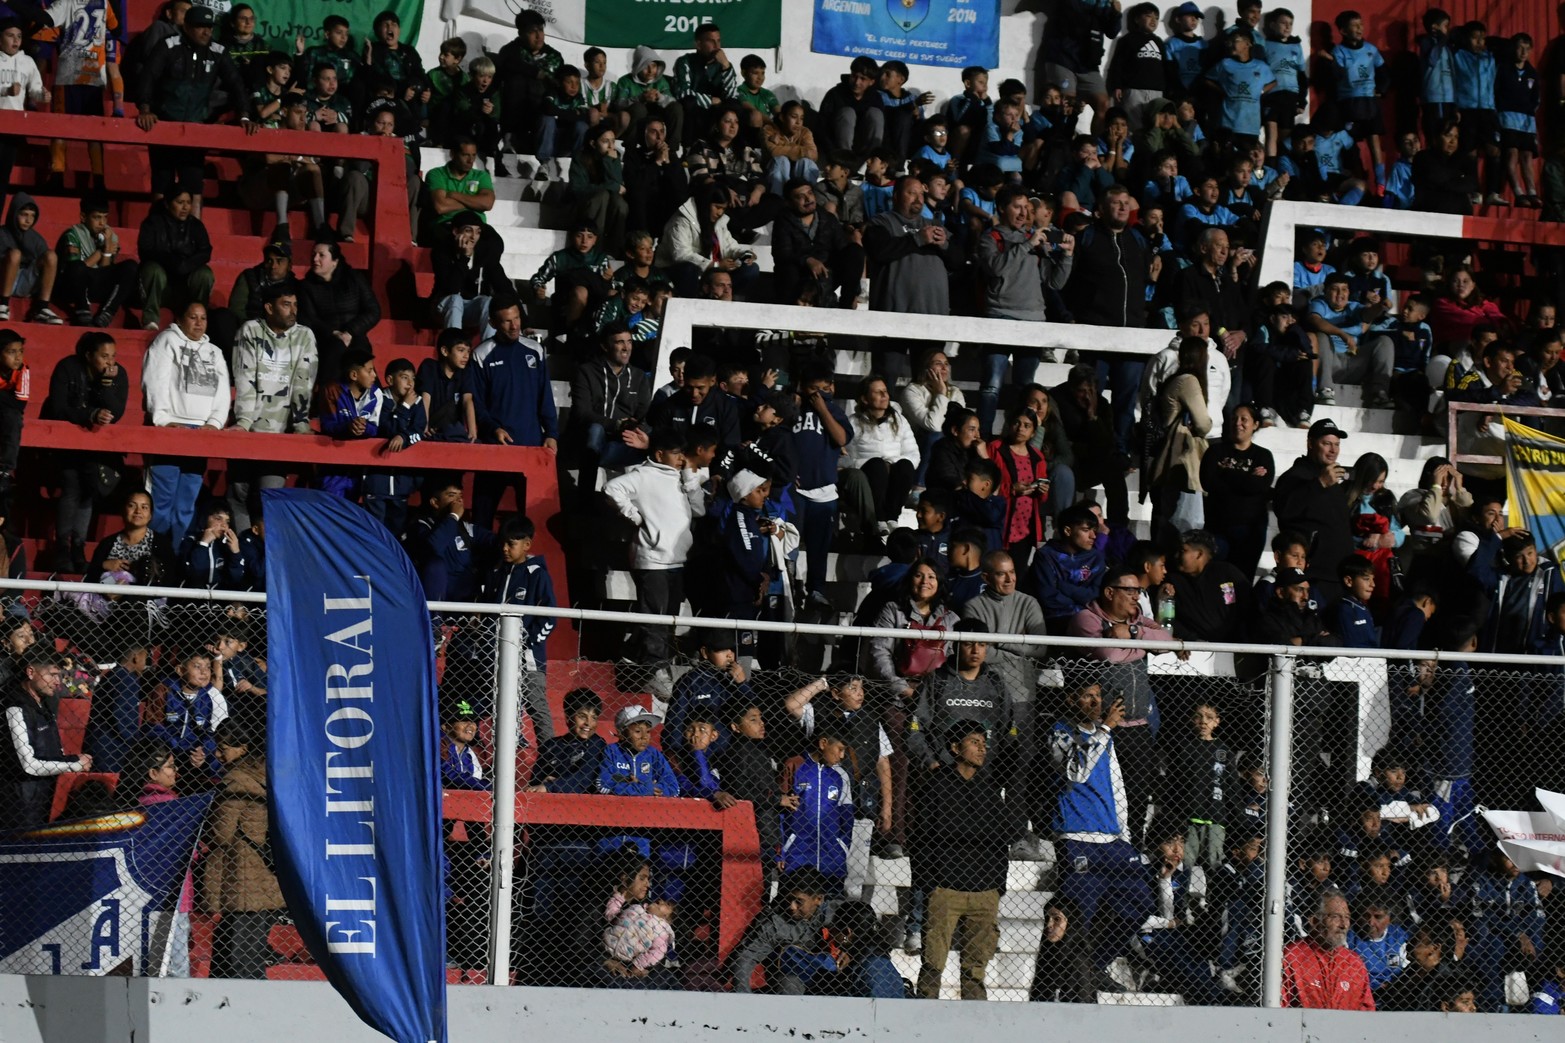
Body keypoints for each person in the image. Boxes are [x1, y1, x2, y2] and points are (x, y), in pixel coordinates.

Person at [1048, 667, 1154, 955]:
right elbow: (1077, 772)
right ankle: (1063, 979)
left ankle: (1095, 966)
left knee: (1141, 902)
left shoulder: (1105, 738)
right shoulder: (1061, 732)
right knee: (1078, 914)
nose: (1096, 703)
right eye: (1087, 696)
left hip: (1112, 839)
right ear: (1071, 701)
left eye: (1098, 696)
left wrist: (1125, 833)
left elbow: (1116, 786)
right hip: (1077, 836)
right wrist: (1105, 729)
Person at [910, 720, 1013, 1000]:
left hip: (984, 891)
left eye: (983, 742)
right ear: (955, 748)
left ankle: (975, 1022)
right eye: (974, 742)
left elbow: (1001, 841)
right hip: (945, 888)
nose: (982, 748)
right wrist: (928, 883)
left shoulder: (990, 791)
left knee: (976, 967)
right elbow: (920, 837)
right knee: (933, 962)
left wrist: (997, 887)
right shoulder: (935, 787)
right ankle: (923, 1016)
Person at [1066, 566, 1172, 833]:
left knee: (1137, 799)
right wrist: (1142, 645)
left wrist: (1132, 635)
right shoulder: (1086, 619)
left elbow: (1167, 640)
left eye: (1139, 591)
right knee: (1106, 794)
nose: (1137, 597)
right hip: (1103, 727)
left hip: (1138, 727)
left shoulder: (1137, 620)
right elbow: (1109, 653)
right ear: (1110, 592)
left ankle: (1134, 851)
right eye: (1130, 590)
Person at [135, 3, 255, 212]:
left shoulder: (217, 51)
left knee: (194, 188)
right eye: (200, 26)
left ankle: (194, 238)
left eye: (209, 26)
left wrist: (244, 115)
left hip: (196, 130)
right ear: (187, 26)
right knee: (162, 186)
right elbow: (148, 77)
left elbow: (236, 84)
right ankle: (157, 235)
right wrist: (145, 109)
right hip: (163, 127)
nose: (206, 31)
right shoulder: (168, 45)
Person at [1063, 186, 1148, 458]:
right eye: (1116, 203)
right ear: (1102, 208)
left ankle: (1120, 449)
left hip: (1131, 335)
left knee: (1125, 399)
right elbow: (1068, 281)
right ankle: (1090, 446)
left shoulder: (1137, 239)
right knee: (1090, 396)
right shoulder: (1087, 237)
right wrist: (1073, 315)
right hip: (1096, 332)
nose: (1123, 207)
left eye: (1126, 203)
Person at [603, 430, 702, 664]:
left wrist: (689, 477)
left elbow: (700, 509)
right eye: (676, 454)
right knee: (655, 618)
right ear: (659, 454)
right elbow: (611, 488)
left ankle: (637, 657)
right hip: (652, 559)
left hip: (677, 560)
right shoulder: (643, 475)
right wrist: (635, 516)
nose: (681, 459)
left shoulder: (681, 478)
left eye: (682, 454)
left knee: (669, 619)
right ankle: (653, 668)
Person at [226, 284, 317, 529]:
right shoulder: (250, 330)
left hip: (279, 435)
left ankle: (266, 559)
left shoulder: (304, 336)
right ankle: (241, 550)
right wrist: (244, 422)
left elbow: (303, 382)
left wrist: (300, 424)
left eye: (295, 305)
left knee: (271, 500)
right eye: (286, 305)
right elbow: (244, 378)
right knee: (238, 495)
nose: (293, 310)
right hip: (248, 431)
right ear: (269, 307)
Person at [141, 301, 229, 541]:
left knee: (186, 504)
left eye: (203, 318)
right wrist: (162, 419)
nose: (199, 323)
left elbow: (222, 392)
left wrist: (215, 422)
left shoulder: (215, 352)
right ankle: (155, 559)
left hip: (200, 432)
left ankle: (178, 559)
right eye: (193, 317)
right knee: (161, 501)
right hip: (170, 429)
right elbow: (154, 381)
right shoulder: (166, 341)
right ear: (180, 319)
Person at [204, 719, 283, 979]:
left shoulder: (235, 780)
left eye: (223, 748)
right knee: (245, 945)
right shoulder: (263, 777)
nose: (218, 754)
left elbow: (221, 833)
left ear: (242, 748)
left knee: (239, 955)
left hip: (241, 879)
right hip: (263, 876)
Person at [472, 298, 558, 528]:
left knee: (531, 517)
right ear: (492, 322)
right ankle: (481, 562)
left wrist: (551, 433)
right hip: (494, 448)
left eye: (517, 318)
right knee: (482, 516)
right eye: (507, 321)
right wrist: (493, 429)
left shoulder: (535, 350)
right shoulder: (481, 354)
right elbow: (477, 404)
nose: (514, 326)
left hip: (530, 445)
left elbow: (545, 397)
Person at [864, 177, 950, 381]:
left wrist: (945, 244)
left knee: (929, 384)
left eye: (921, 194)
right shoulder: (881, 222)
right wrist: (918, 239)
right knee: (885, 379)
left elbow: (958, 259)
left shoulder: (934, 225)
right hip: (892, 315)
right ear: (895, 196)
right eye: (911, 193)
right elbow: (880, 251)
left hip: (932, 317)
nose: (918, 198)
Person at [1, 647, 92, 831]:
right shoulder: (15, 707)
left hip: (44, 799)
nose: (57, 682)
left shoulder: (44, 704)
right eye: (52, 675)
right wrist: (74, 763)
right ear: (31, 672)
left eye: (59, 675)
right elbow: (29, 765)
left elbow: (52, 750)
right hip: (21, 805)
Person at [1273, 419, 1354, 594]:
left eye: (1337, 445)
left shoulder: (1333, 482)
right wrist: (1319, 484)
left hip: (1339, 576)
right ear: (1310, 443)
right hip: (1312, 576)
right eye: (1326, 444)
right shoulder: (1294, 477)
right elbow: (1285, 511)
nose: (1333, 450)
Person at [1144, 336, 1213, 537]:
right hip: (1178, 457)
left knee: (1162, 515)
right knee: (1174, 521)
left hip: (1164, 455)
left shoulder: (1173, 379)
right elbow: (1203, 424)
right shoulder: (1189, 381)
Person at [728, 867, 836, 994]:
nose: (791, 907)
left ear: (818, 899)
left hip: (828, 975)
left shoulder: (834, 911)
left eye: (798, 902)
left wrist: (848, 951)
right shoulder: (775, 924)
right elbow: (746, 957)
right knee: (789, 983)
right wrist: (743, 995)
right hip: (793, 978)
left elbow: (862, 928)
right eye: (789, 899)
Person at [839, 375, 918, 546]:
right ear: (865, 399)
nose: (884, 395)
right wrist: (874, 464)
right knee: (876, 465)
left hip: (895, 471)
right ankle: (879, 518)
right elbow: (847, 457)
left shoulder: (899, 420)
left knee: (905, 465)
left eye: (885, 391)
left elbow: (912, 453)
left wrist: (892, 463)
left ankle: (892, 517)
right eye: (878, 392)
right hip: (870, 473)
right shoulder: (854, 422)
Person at [1200, 403, 1275, 577]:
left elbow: (1260, 486)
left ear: (1255, 424)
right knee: (1216, 577)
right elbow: (1209, 482)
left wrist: (1225, 473)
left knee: (1241, 580)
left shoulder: (1263, 456)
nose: (1237, 423)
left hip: (1250, 532)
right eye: (1234, 418)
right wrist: (1248, 477)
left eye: (1244, 419)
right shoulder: (1215, 451)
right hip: (1218, 527)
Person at [771, 176, 864, 310]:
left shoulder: (828, 218)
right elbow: (781, 253)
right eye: (800, 197)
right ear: (790, 202)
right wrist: (807, 260)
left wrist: (855, 291)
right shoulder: (783, 221)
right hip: (798, 275)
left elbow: (843, 250)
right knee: (788, 270)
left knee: (855, 251)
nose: (808, 199)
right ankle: (789, 312)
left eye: (810, 193)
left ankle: (846, 305)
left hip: (826, 274)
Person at [296, 240, 380, 387]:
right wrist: (334, 333)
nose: (315, 259)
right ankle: (328, 399)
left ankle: (372, 402)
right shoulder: (305, 286)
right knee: (335, 350)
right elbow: (309, 319)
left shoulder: (354, 278)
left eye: (321, 255)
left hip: (356, 337)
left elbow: (373, 311)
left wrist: (350, 331)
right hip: (326, 342)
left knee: (361, 359)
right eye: (313, 255)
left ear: (335, 261)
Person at [1281, 890, 1376, 1009]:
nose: (1344, 925)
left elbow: (1366, 1009)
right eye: (1335, 917)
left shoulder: (1354, 964)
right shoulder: (1291, 957)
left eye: (1347, 917)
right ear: (1314, 921)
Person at [55, 192, 138, 328]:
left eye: (105, 218)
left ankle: (107, 313)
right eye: (97, 217)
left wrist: (106, 252)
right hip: (73, 286)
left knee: (130, 266)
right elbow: (78, 269)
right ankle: (82, 311)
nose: (102, 223)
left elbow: (104, 270)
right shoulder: (72, 234)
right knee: (77, 267)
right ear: (83, 217)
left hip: (94, 282)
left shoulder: (110, 236)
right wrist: (101, 251)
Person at [1168, 529, 1253, 644]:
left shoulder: (1226, 574)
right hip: (1193, 649)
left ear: (1199, 554)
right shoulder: (1172, 581)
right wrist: (1191, 639)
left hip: (1234, 648)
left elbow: (1250, 607)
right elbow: (1168, 618)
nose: (1176, 555)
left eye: (1182, 550)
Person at [430, 211, 505, 338]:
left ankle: (488, 352)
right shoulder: (442, 251)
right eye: (468, 231)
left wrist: (525, 323)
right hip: (443, 306)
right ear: (456, 232)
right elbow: (450, 289)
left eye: (478, 232)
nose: (473, 237)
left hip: (470, 309)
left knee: (488, 301)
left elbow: (504, 286)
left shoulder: (484, 255)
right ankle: (453, 345)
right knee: (455, 299)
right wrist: (464, 258)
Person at [528, 688, 607, 795]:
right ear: (568, 717)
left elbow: (584, 778)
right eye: (582, 716)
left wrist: (552, 785)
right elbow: (536, 781)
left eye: (594, 718)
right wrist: (545, 783)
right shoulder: (551, 745)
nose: (588, 723)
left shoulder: (597, 744)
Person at [672, 23, 738, 147]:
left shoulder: (724, 65)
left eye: (718, 41)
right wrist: (709, 100)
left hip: (717, 111)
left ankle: (735, 150)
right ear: (698, 44)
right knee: (689, 101)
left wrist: (726, 66)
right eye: (711, 41)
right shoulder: (684, 61)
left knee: (734, 104)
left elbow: (732, 95)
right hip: (695, 110)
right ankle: (689, 149)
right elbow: (682, 92)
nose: (717, 46)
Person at [0, 193, 61, 324]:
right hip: (3, 279)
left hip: (24, 282)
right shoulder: (2, 233)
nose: (28, 220)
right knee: (15, 254)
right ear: (14, 214)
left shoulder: (35, 239)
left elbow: (46, 265)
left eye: (32, 216)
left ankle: (42, 307)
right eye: (24, 215)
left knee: (51, 255)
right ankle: (3, 304)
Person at [569, 123, 628, 256]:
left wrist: (608, 160)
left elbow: (617, 184)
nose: (611, 146)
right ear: (593, 143)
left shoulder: (613, 157)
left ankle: (615, 248)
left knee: (621, 204)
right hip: (582, 208)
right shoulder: (580, 158)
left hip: (607, 210)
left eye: (613, 141)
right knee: (602, 196)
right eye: (605, 141)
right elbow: (578, 189)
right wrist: (610, 186)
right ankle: (595, 249)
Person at [597, 706, 679, 798]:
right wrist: (646, 788)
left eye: (648, 731)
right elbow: (603, 785)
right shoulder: (612, 751)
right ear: (622, 734)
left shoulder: (653, 754)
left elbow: (674, 788)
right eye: (638, 731)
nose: (644, 737)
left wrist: (657, 788)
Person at [425, 138, 496, 228]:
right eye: (465, 155)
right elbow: (441, 207)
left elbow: (487, 204)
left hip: (477, 226)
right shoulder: (436, 174)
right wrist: (475, 204)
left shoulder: (481, 176)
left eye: (473, 155)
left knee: (496, 241)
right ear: (453, 154)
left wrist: (454, 195)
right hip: (447, 224)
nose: (471, 160)